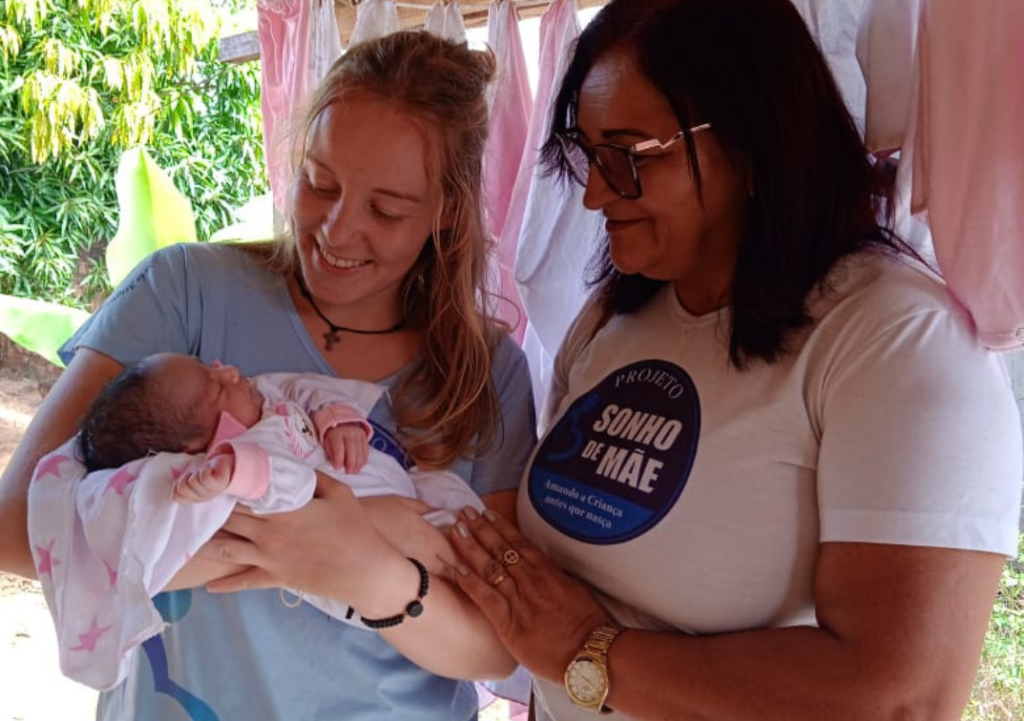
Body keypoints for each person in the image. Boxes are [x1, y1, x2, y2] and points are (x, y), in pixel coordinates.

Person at [446, 1, 1023, 720]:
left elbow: (899, 695)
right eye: (588, 154)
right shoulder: (613, 317)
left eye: (627, 157)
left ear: (754, 144)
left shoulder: (895, 342)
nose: (594, 193)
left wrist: (585, 650)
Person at [1, 30, 536, 720]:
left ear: (447, 213)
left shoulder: (487, 374)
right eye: (320, 184)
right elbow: (17, 531)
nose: (337, 232)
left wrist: (368, 573)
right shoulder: (185, 293)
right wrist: (306, 537)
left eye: (385, 209)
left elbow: (497, 643)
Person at [29, 352, 492, 689]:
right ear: (204, 444)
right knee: (452, 553)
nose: (227, 369)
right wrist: (236, 471)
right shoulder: (251, 457)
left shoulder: (263, 399)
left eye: (212, 368)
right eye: (217, 387)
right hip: (355, 573)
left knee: (470, 528)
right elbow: (292, 491)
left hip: (409, 502)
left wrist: (337, 420)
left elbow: (306, 392)